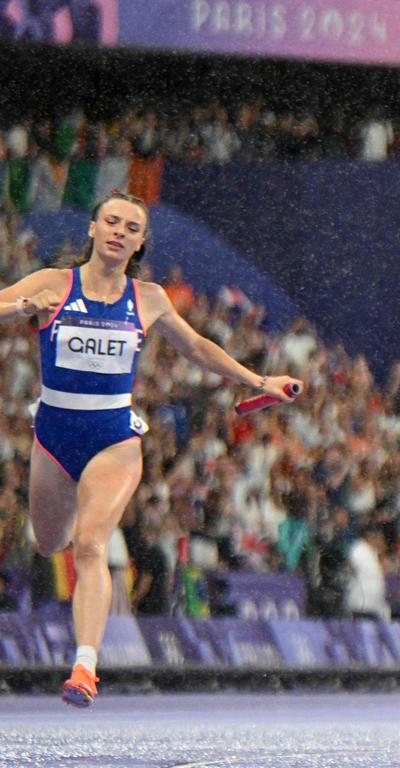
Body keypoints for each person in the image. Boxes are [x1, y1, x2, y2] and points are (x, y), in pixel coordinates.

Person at [0, 191, 301, 708]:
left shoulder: (149, 298)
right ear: (93, 230)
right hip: (52, 435)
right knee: (50, 541)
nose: (119, 231)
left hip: (114, 436)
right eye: (111, 221)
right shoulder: (54, 282)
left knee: (91, 544)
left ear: (139, 242)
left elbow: (199, 347)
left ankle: (85, 666)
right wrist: (26, 307)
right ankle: (72, 535)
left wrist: (259, 379)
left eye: (131, 227)